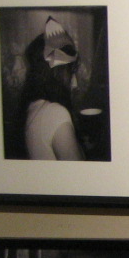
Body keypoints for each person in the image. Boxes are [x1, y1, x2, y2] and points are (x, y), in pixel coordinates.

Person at [18, 16, 85, 160]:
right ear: (55, 75)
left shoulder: (33, 107)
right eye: (70, 73)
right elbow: (79, 172)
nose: (75, 83)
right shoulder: (56, 113)